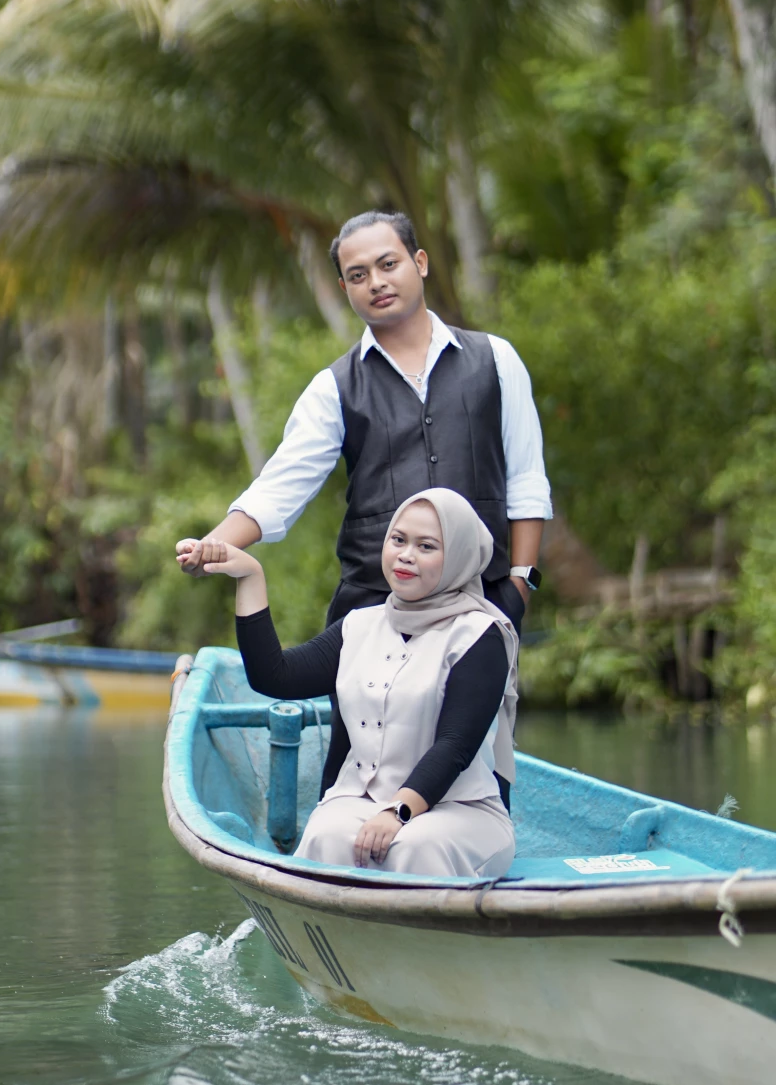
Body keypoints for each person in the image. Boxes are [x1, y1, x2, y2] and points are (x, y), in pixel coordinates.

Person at [177, 210, 552, 639]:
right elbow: (280, 488)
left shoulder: (495, 359)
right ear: (344, 288)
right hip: (373, 615)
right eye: (358, 275)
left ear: (420, 262)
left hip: (482, 608)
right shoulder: (333, 387)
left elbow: (526, 481)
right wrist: (213, 545)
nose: (376, 282)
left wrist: (519, 587)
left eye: (388, 264)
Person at [201, 489, 518, 878]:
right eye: (398, 540)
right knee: (326, 836)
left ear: (459, 556)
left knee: (415, 847)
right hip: (360, 800)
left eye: (426, 546)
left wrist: (397, 811)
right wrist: (250, 576)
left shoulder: (479, 634)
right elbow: (275, 676)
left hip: (460, 810)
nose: (406, 555)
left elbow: (456, 745)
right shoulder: (359, 625)